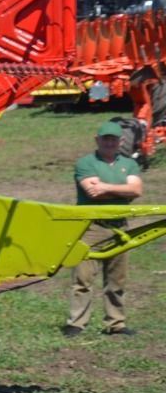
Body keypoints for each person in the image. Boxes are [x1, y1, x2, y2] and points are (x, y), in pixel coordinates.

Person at [63, 120, 143, 337]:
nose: (109, 142)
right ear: (97, 140)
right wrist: (122, 190)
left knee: (117, 279)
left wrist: (106, 187)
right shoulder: (85, 163)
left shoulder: (130, 164)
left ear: (121, 141)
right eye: (105, 138)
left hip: (120, 226)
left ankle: (116, 323)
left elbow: (136, 190)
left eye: (113, 139)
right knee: (83, 278)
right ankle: (76, 323)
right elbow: (92, 192)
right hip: (90, 227)